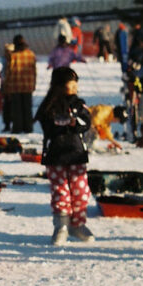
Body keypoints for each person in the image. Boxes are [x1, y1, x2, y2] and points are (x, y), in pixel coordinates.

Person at [35, 66, 94, 244]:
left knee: (80, 191)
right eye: (71, 84)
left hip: (76, 154)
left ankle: (78, 224)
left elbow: (86, 122)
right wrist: (60, 122)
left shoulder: (78, 103)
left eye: (76, 84)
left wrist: (76, 122)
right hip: (56, 155)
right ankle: (61, 226)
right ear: (60, 85)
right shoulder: (49, 105)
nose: (75, 87)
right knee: (60, 191)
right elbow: (47, 125)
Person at [2, 34, 36, 134]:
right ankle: (28, 127)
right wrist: (33, 84)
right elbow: (34, 71)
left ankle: (17, 128)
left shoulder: (13, 55)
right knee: (27, 108)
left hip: (15, 85)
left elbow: (9, 72)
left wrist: (6, 86)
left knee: (17, 109)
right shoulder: (31, 54)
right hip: (28, 85)